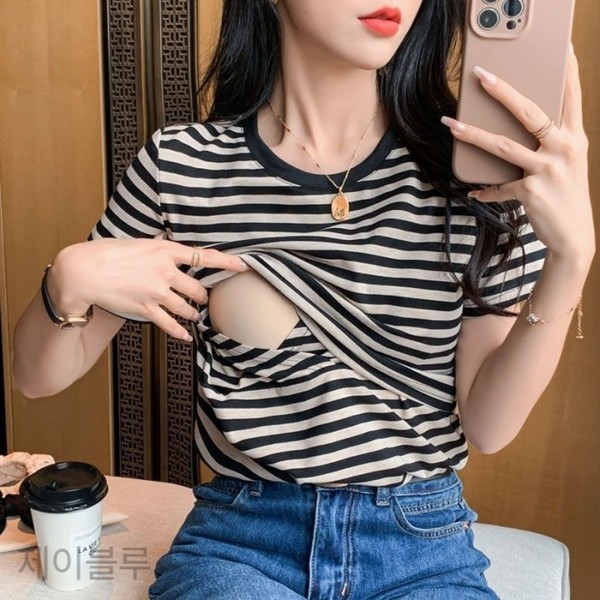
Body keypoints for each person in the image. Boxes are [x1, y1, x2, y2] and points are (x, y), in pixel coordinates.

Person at [13, 0, 594, 598]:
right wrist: (67, 280)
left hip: (422, 545)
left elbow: (490, 426)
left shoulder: (479, 175)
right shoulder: (182, 166)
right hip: (242, 540)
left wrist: (570, 262)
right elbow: (36, 377)